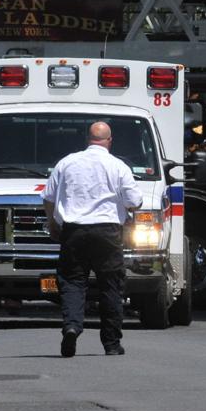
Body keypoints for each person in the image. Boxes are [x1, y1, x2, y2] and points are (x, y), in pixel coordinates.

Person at [42, 121, 143, 357]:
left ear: (88, 139)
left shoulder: (67, 163)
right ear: (109, 141)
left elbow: (47, 197)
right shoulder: (118, 166)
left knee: (72, 282)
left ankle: (72, 326)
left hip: (74, 231)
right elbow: (134, 201)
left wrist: (53, 223)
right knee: (110, 286)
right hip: (107, 233)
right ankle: (111, 344)